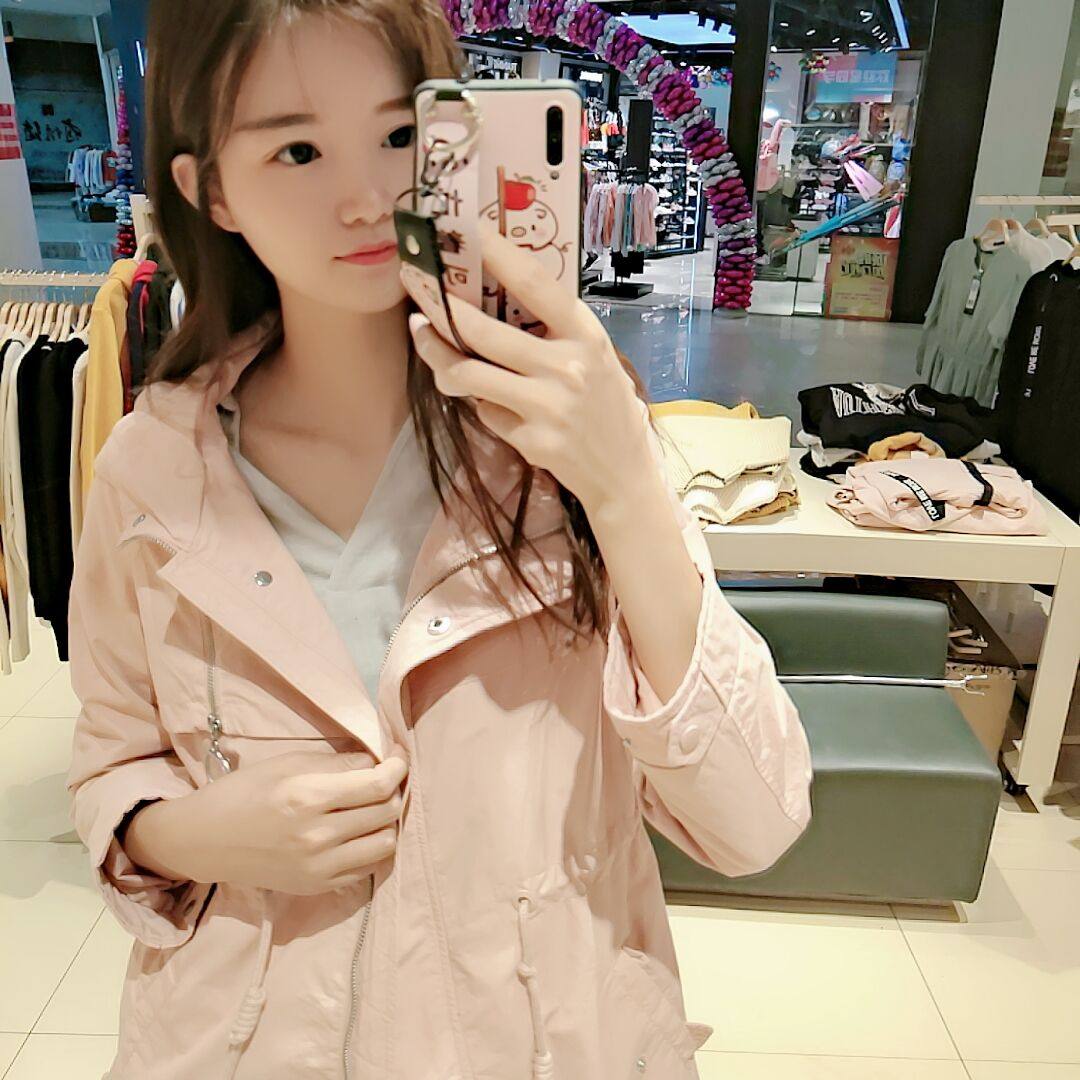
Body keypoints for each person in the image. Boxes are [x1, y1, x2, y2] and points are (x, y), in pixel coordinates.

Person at [66, 2, 813, 1078]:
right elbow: (112, 760)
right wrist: (192, 835)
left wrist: (622, 484)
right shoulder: (152, 469)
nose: (368, 197)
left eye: (401, 134)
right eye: (297, 149)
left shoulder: (572, 441)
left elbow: (754, 819)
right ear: (210, 190)